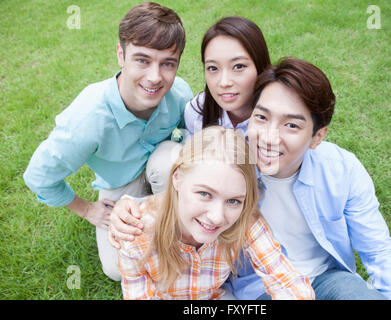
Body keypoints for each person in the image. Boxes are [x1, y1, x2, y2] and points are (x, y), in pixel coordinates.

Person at [22, 2, 193, 281]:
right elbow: (39, 176)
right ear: (120, 54)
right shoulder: (87, 119)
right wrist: (86, 209)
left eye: (167, 63)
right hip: (119, 185)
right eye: (142, 60)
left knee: (171, 160)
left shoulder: (180, 93)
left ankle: (177, 223)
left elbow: (197, 137)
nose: (155, 77)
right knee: (117, 270)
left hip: (161, 166)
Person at [229, 57, 391, 300]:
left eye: (292, 126)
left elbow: (378, 251)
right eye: (262, 118)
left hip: (328, 279)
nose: (269, 138)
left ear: (317, 137)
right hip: (264, 286)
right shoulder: (228, 168)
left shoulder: (342, 170)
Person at [108, 16, 271, 249]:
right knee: (167, 159)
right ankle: (175, 231)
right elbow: (192, 178)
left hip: (246, 208)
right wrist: (131, 206)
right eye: (213, 68)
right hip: (206, 201)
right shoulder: (198, 111)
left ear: (260, 66)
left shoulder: (274, 119)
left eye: (239, 67)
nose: (224, 82)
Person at [116, 126, 315, 300]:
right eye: (204, 193)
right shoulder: (136, 231)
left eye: (233, 201)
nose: (217, 216)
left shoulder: (244, 219)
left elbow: (285, 280)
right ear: (177, 178)